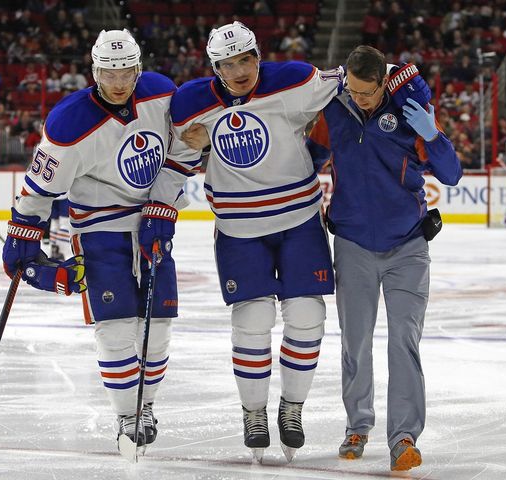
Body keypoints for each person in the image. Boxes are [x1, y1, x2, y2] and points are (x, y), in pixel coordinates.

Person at [145, 21, 342, 463]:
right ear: (213, 67)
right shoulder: (191, 103)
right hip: (238, 228)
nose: (238, 71)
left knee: (308, 316)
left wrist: (402, 75)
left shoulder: (295, 80)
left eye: (245, 60)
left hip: (300, 220)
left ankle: (292, 409)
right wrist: (162, 210)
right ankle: (254, 412)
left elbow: (354, 79)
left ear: (258, 55)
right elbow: (177, 162)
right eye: (227, 64)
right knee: (252, 320)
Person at [1, 29, 180, 455]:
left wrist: (165, 202)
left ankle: (146, 407)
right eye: (108, 72)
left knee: (158, 327)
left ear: (139, 68)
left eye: (126, 72)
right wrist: (22, 236)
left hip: (152, 225)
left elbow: (185, 147)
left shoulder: (162, 95)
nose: (118, 82)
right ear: (93, 70)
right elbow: (41, 188)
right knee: (115, 327)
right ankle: (126, 414)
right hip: (99, 231)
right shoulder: (69, 121)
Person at [307, 45, 462, 471]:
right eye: (353, 92)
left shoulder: (408, 111)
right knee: (355, 342)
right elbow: (308, 160)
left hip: (409, 247)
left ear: (382, 83)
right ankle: (357, 425)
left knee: (403, 341)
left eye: (367, 93)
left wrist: (433, 135)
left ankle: (404, 437)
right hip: (354, 245)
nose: (360, 100)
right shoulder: (335, 111)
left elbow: (451, 174)